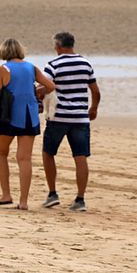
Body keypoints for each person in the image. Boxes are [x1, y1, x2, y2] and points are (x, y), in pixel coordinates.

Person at [0, 38, 53, 209]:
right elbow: (50, 86)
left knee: (0, 152)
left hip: (9, 116)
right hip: (29, 116)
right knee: (24, 159)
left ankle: (6, 194)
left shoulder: (2, 69)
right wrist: (35, 93)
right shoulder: (31, 67)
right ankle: (23, 201)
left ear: (4, 52)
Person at [39, 32, 99, 212]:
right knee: (80, 157)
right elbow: (95, 91)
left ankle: (52, 194)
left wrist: (35, 94)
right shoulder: (86, 64)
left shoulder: (53, 65)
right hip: (80, 117)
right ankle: (80, 199)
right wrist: (93, 108)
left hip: (58, 116)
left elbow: (46, 87)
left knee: (48, 153)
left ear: (58, 46)